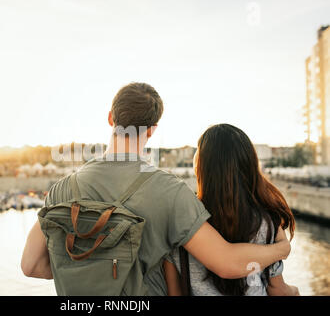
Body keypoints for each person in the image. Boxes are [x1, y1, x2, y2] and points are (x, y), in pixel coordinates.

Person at [21, 82, 291, 295]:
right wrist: (281, 250)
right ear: (151, 130)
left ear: (110, 118)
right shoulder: (170, 192)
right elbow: (226, 262)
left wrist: (93, 272)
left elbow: (30, 265)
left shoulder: (62, 190)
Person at [163, 124, 299, 296]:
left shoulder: (181, 222)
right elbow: (277, 290)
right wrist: (295, 291)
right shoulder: (266, 222)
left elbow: (174, 292)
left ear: (201, 167)